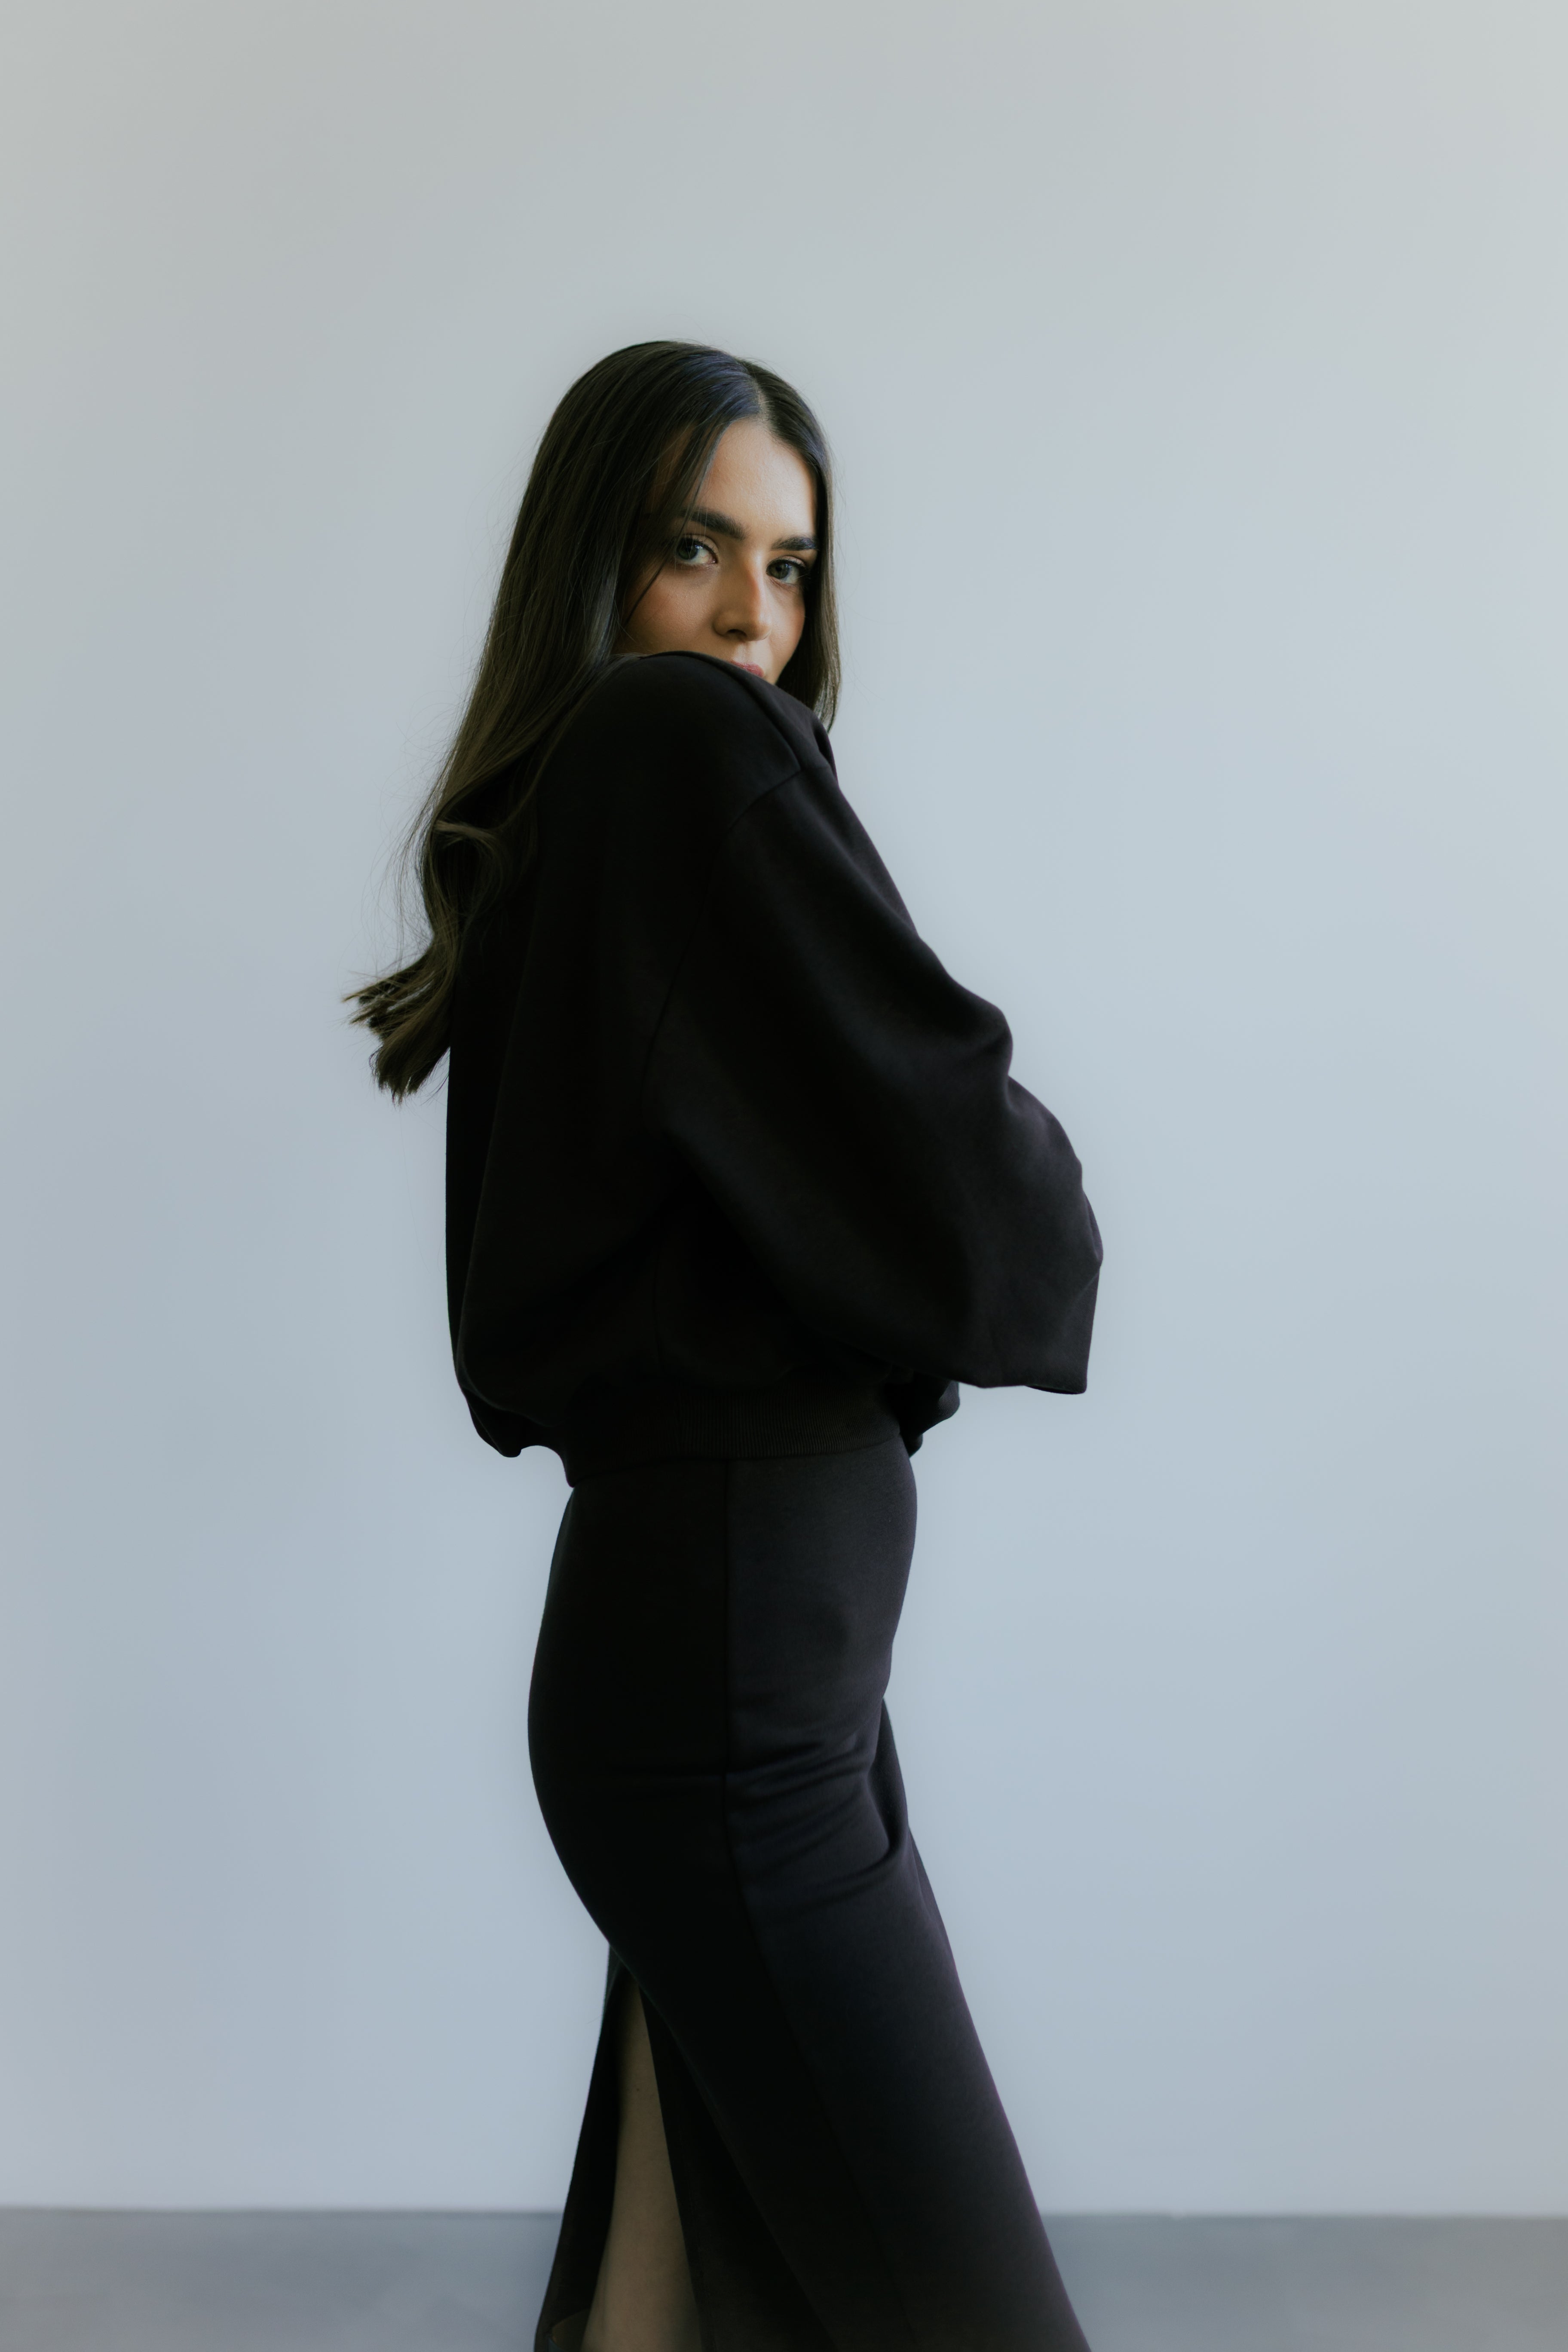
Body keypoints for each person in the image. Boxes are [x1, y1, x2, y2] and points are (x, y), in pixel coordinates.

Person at [352, 341, 1102, 2352]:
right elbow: (982, 1197)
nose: (750, 618)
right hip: (734, 1697)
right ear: (592, 564)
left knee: (675, 2303)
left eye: (789, 567)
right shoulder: (678, 741)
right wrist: (1034, 1188)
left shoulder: (601, 791)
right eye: (693, 549)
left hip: (726, 1675)